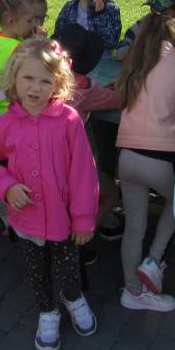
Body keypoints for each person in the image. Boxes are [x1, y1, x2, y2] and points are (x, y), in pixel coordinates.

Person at [0, 39, 99, 350]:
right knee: (37, 271)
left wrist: (83, 218)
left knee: (68, 269)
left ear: (58, 84)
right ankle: (47, 312)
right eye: (28, 78)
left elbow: (84, 173)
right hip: (26, 217)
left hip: (64, 218)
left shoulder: (69, 121)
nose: (35, 87)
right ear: (14, 79)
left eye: (45, 81)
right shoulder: (6, 124)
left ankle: (73, 298)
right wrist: (7, 186)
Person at [116, 11, 175, 312]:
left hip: (127, 157)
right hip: (161, 158)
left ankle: (132, 289)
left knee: (134, 227)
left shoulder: (133, 66)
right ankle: (154, 259)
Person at [52, 23, 123, 264]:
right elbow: (118, 100)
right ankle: (78, 243)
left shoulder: (43, 81)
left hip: (47, 163)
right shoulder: (84, 88)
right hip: (72, 167)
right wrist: (120, 87)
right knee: (110, 193)